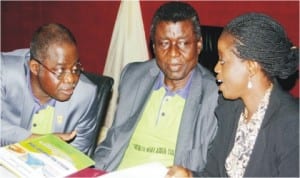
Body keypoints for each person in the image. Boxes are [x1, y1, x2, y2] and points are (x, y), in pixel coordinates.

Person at [166, 13, 299, 177]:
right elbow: (213, 174)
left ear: (251, 67)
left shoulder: (292, 124)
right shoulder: (229, 108)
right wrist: (188, 175)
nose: (216, 68)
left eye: (222, 61)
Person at [93, 1, 219, 172]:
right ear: (153, 46)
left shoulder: (214, 95)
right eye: (164, 43)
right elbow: (112, 143)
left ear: (198, 45)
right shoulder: (133, 76)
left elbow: (208, 168)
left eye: (183, 43)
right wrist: (92, 173)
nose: (173, 53)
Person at [1, 23, 99, 154]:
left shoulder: (85, 94)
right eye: (60, 70)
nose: (71, 79)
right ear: (35, 67)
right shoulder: (5, 73)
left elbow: (78, 155)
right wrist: (35, 140)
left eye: (75, 68)